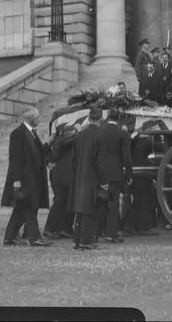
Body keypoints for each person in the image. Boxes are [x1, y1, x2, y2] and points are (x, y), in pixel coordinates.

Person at [1, 106, 53, 247]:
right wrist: (16, 180)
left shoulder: (32, 134)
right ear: (30, 118)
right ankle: (35, 237)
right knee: (30, 207)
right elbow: (15, 158)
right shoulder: (18, 133)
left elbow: (39, 152)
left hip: (34, 177)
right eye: (37, 117)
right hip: (24, 178)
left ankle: (9, 237)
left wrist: (49, 143)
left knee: (21, 210)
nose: (39, 119)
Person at [69, 107, 105, 250]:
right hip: (93, 176)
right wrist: (103, 180)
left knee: (80, 210)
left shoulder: (79, 136)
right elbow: (100, 161)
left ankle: (76, 240)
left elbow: (73, 159)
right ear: (101, 119)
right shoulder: (100, 136)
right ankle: (86, 241)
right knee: (91, 209)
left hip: (79, 176)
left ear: (89, 119)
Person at [98, 109, 133, 243]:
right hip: (115, 173)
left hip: (100, 171)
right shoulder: (122, 133)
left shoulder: (100, 131)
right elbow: (126, 157)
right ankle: (111, 233)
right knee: (113, 204)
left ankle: (99, 230)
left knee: (101, 202)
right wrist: (129, 174)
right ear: (118, 119)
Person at [43, 123, 80, 240]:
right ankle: (50, 228)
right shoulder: (61, 141)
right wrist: (79, 132)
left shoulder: (61, 142)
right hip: (61, 179)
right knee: (60, 203)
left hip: (64, 178)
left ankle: (64, 228)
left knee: (66, 203)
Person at [124, 124, 160, 236]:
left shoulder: (136, 139)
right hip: (143, 173)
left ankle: (132, 224)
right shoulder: (146, 141)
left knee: (140, 199)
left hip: (136, 172)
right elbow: (159, 148)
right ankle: (141, 226)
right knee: (145, 199)